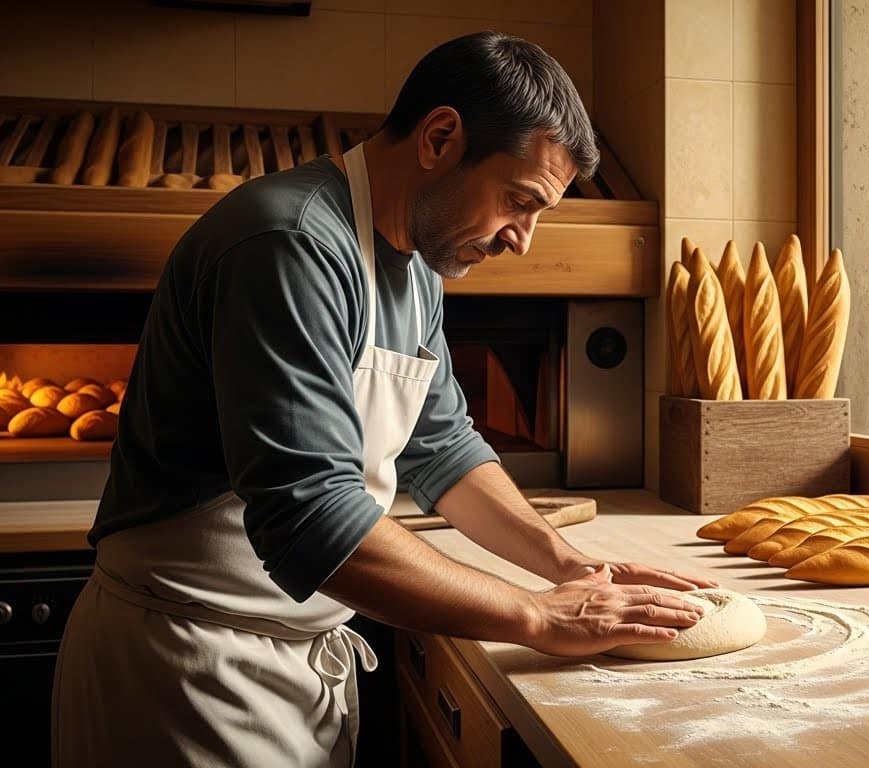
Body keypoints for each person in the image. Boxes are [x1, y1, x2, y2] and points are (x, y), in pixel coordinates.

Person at [52, 31, 714, 767]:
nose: (521, 240)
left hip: (285, 658)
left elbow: (441, 444)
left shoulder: (414, 262)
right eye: (519, 200)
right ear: (439, 137)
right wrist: (534, 616)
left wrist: (567, 566)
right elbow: (308, 515)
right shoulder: (289, 242)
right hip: (189, 667)